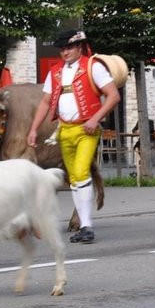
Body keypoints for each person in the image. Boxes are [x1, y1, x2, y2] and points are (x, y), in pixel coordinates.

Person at [27, 29, 121, 244]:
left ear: (80, 47)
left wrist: (95, 119)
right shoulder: (56, 72)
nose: (65, 52)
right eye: (62, 48)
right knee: (74, 179)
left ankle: (87, 226)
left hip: (86, 130)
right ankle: (84, 226)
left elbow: (113, 95)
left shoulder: (93, 66)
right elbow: (44, 102)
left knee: (80, 172)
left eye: (69, 47)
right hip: (65, 129)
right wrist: (33, 129)